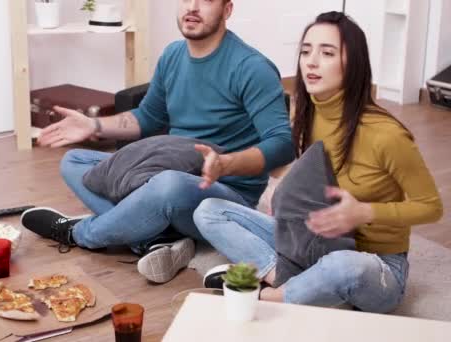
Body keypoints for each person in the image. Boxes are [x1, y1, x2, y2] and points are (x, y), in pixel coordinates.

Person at [21, 0, 295, 283]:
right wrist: (94, 125)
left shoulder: (252, 68)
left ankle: (79, 233)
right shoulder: (173, 55)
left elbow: (282, 144)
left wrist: (226, 164)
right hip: (169, 168)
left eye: (207, 0)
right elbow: (148, 117)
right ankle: (155, 239)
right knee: (75, 162)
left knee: (168, 185)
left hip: (221, 191)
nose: (193, 6)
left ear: (227, 10)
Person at [193, 11, 443, 312]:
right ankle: (286, 278)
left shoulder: (387, 135)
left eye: (327, 53)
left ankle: (267, 298)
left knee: (344, 266)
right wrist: (283, 188)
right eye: (306, 51)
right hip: (318, 242)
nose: (311, 61)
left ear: (353, 64)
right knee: (209, 210)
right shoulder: (308, 114)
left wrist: (364, 212)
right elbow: (314, 169)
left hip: (375, 263)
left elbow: (431, 207)